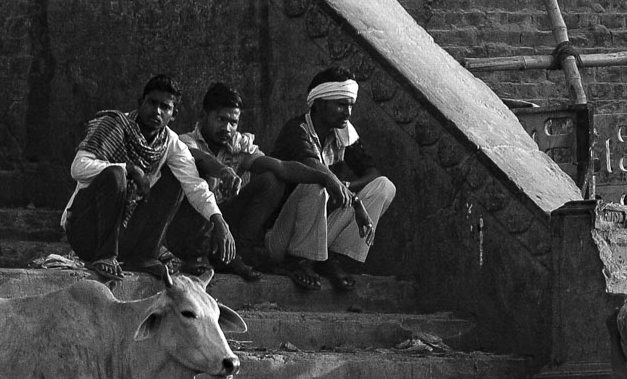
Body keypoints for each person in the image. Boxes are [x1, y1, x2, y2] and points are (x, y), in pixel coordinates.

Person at [61, 74, 233, 281]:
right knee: (115, 175)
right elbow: (78, 168)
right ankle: (104, 257)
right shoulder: (114, 124)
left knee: (177, 179)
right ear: (140, 102)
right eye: (152, 103)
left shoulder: (171, 143)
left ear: (173, 114)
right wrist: (129, 169)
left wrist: (219, 221)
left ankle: (143, 256)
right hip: (85, 230)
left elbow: (194, 186)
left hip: (124, 234)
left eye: (165, 107)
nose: (157, 111)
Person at [241, 68, 393, 293]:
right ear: (320, 103)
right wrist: (353, 200)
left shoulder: (344, 132)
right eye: (341, 105)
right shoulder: (297, 131)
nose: (348, 112)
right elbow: (318, 172)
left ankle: (330, 259)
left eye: (350, 105)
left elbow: (373, 174)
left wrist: (346, 188)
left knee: (384, 187)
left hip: (318, 231)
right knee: (316, 183)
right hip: (281, 236)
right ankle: (299, 261)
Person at [167, 82, 267, 280]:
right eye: (221, 119)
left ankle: (234, 254)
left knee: (270, 181)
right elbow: (196, 157)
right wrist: (224, 171)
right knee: (205, 174)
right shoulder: (184, 141)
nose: (227, 128)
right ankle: (198, 256)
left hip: (224, 224)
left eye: (233, 122)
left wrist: (326, 177)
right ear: (204, 116)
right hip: (187, 227)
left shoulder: (239, 145)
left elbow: (278, 166)